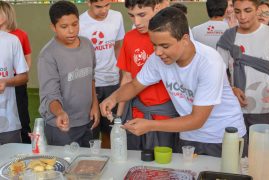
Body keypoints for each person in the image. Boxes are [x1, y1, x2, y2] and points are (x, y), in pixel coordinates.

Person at [100, 7, 247, 157]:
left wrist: (150, 125)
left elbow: (197, 120)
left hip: (222, 137)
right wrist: (113, 98)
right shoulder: (158, 59)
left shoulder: (209, 62)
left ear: (184, 39)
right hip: (188, 136)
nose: (157, 52)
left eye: (165, 46)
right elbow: (135, 85)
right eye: (154, 45)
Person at [116, 0, 179, 151]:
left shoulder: (169, 37)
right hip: (138, 113)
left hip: (166, 116)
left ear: (157, 7)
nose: (137, 22)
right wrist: (119, 116)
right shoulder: (130, 38)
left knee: (164, 165)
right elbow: (127, 78)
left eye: (142, 14)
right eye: (131, 16)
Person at [38, 1, 99, 147]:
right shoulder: (47, 55)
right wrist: (59, 113)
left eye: (75, 24)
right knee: (64, 167)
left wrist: (95, 105)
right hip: (61, 126)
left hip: (87, 121)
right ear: (53, 27)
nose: (71, 31)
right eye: (64, 27)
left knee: (89, 165)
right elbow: (50, 95)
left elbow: (91, 78)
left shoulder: (87, 45)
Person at [217, 0, 269, 130]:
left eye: (248, 10)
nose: (242, 17)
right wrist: (232, 89)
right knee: (236, 148)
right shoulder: (227, 37)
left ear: (257, 11)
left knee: (262, 148)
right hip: (234, 107)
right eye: (238, 11)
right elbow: (218, 72)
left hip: (264, 106)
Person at [79, 0, 125, 148]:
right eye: (98, 6)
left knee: (112, 129)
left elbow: (118, 47)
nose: (104, 10)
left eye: (107, 5)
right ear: (88, 3)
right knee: (92, 129)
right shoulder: (80, 22)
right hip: (91, 84)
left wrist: (122, 74)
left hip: (113, 82)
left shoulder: (117, 17)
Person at [0, 1, 32, 144]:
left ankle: (26, 140)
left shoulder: (15, 39)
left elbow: (25, 72)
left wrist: (7, 80)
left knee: (22, 117)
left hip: (9, 119)